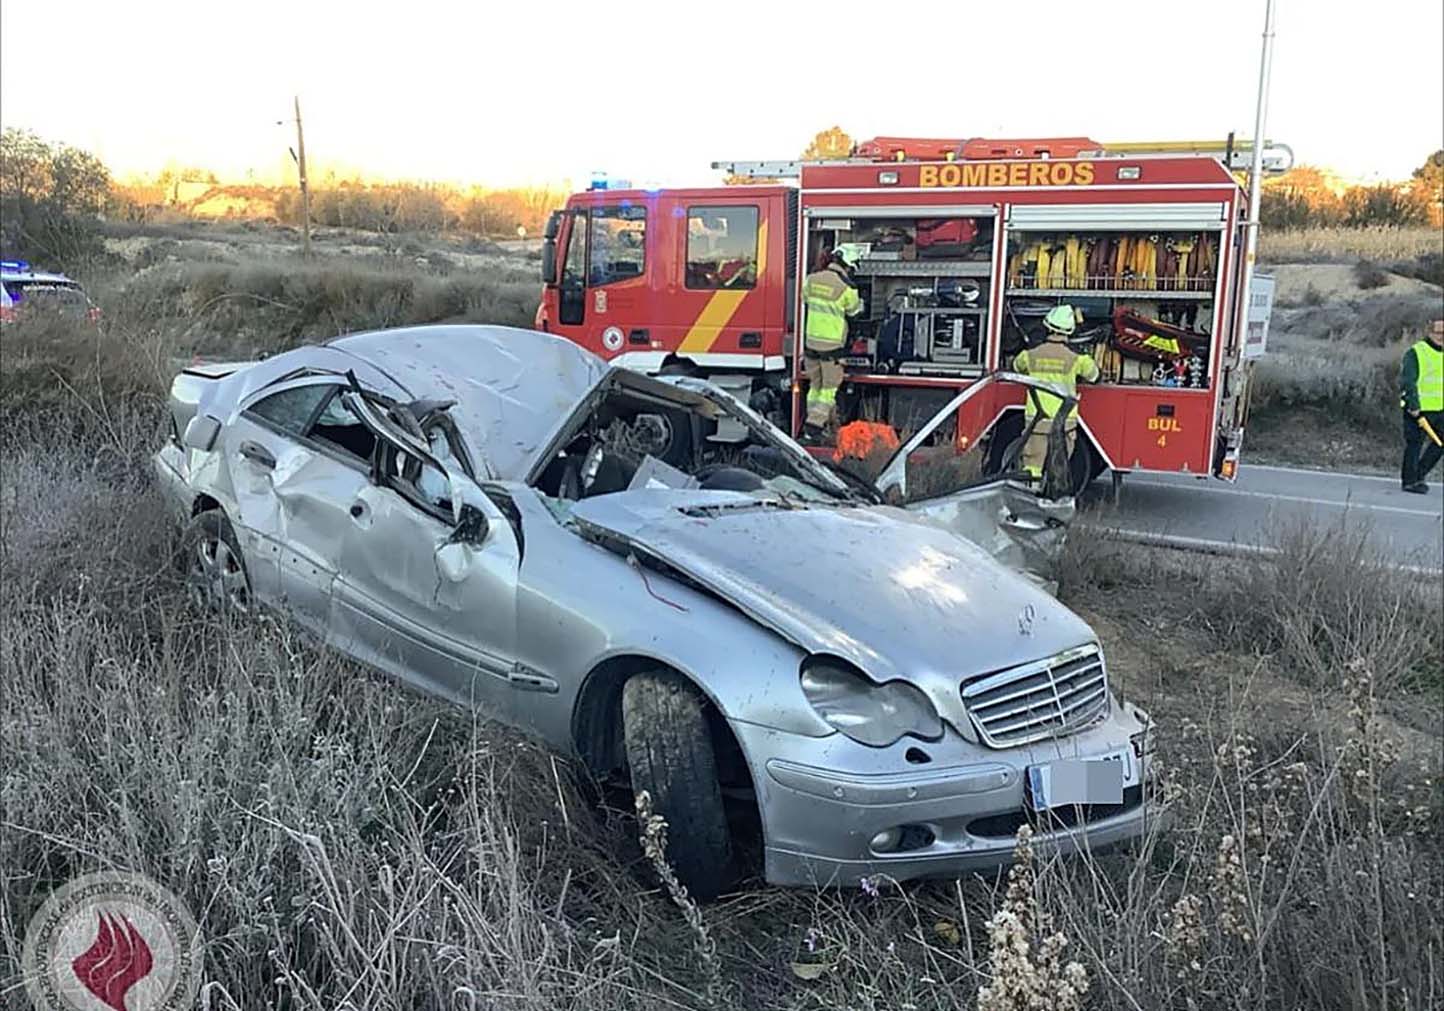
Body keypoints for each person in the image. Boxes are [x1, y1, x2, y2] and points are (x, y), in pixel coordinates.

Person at [1011, 304, 1100, 481]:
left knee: (1033, 466)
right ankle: (1054, 494)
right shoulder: (1077, 359)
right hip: (1064, 422)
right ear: (1070, 331)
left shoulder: (1030, 355)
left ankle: (1031, 492)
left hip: (1037, 421)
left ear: (1047, 327)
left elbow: (1016, 367)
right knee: (1059, 467)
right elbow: (1095, 376)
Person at [801, 245, 864, 434]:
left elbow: (805, 299)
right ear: (848, 265)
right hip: (832, 347)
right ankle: (814, 425)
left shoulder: (811, 279)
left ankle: (814, 426)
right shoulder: (848, 287)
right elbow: (854, 313)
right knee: (829, 388)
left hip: (811, 343)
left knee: (815, 386)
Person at [1399, 318, 1444, 493]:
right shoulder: (1416, 352)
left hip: (1439, 409)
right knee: (1414, 444)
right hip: (1417, 409)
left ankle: (1419, 474)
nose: (1442, 336)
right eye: (1439, 332)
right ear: (1430, 332)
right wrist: (1414, 406)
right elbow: (1408, 381)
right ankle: (1409, 481)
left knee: (1440, 443)